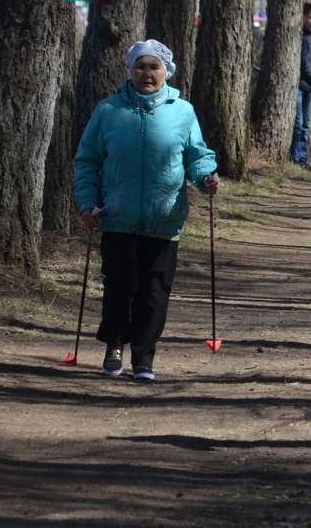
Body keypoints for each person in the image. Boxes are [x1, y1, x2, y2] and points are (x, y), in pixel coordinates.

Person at [73, 39, 219, 382]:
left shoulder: (182, 111)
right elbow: (87, 162)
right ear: (130, 71)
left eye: (154, 67)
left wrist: (205, 179)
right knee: (119, 288)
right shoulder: (108, 111)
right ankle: (114, 345)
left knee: (154, 292)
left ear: (166, 71)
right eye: (140, 66)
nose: (147, 73)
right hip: (117, 218)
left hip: (164, 219)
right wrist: (86, 203)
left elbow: (197, 156)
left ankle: (143, 358)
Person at [290, 2, 311, 170]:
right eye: (310, 18)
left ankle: (302, 157)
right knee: (299, 123)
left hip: (308, 87)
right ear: (302, 17)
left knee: (306, 124)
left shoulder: (309, 36)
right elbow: (304, 63)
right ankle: (296, 157)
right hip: (301, 85)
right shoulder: (302, 37)